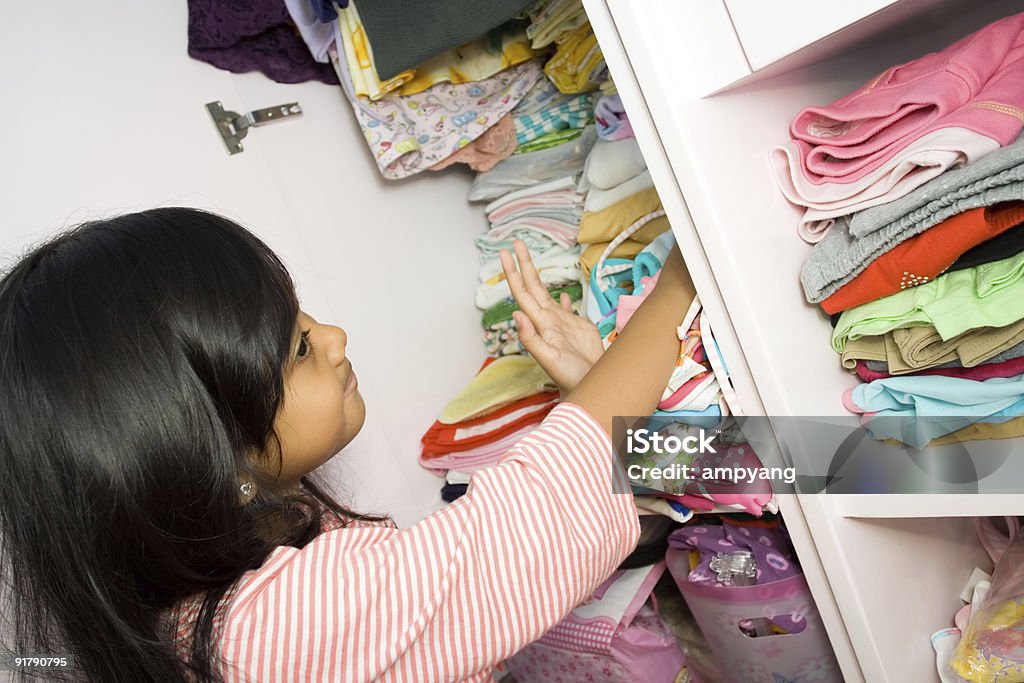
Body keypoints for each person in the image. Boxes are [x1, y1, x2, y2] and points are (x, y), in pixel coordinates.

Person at [0, 207, 695, 682]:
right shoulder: (261, 633)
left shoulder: (236, 578)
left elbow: (751, 468)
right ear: (199, 448)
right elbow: (522, 529)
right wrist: (680, 284)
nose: (334, 338)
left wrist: (604, 394)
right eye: (299, 347)